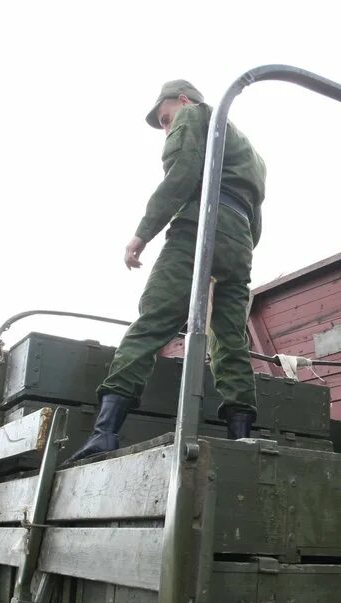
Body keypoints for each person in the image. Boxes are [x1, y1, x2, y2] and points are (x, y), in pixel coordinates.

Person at [66, 80, 267, 464]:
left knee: (152, 320)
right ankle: (241, 439)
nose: (165, 126)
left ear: (184, 100)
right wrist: (237, 246)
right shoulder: (253, 154)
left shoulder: (195, 114)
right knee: (229, 340)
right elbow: (257, 217)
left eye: (164, 117)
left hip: (200, 227)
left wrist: (142, 234)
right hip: (240, 241)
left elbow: (182, 173)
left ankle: (105, 431)